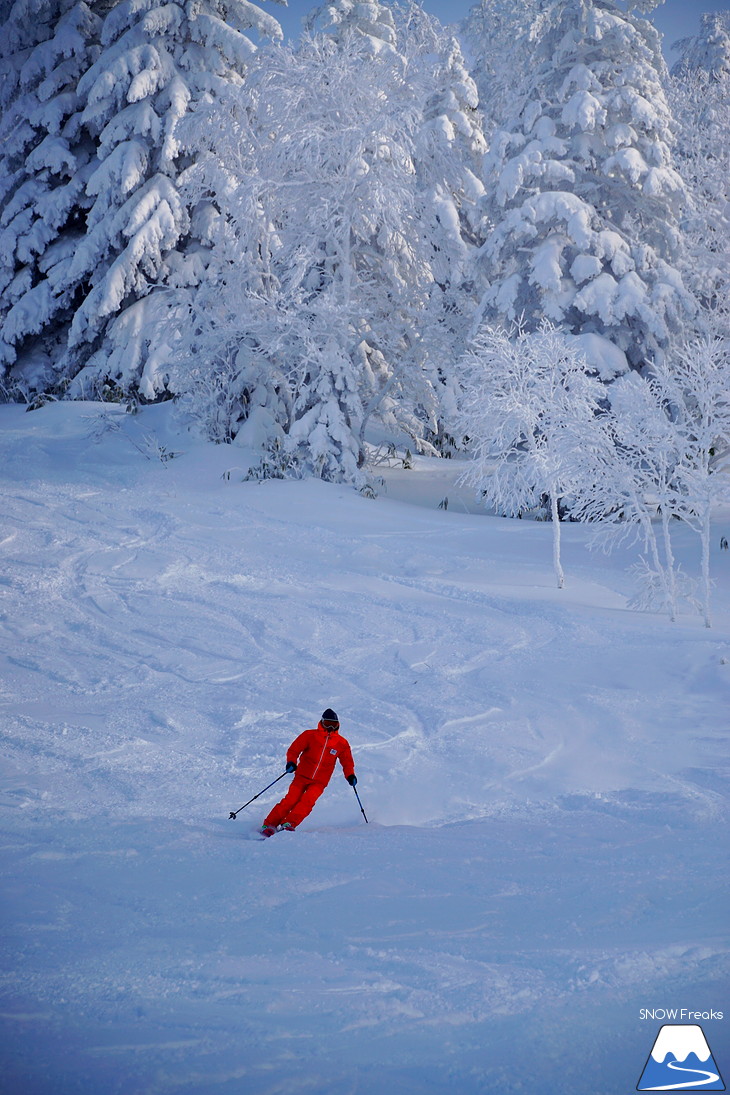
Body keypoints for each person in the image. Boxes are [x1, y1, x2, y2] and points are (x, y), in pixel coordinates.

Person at [260, 709, 357, 836]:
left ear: (338, 725)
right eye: (327, 723)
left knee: (307, 802)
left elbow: (347, 762)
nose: (330, 727)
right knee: (291, 800)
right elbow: (294, 750)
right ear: (321, 722)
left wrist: (350, 775)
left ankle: (289, 823)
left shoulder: (341, 743)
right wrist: (291, 762)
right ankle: (269, 824)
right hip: (302, 776)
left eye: (333, 724)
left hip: (320, 781)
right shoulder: (309, 735)